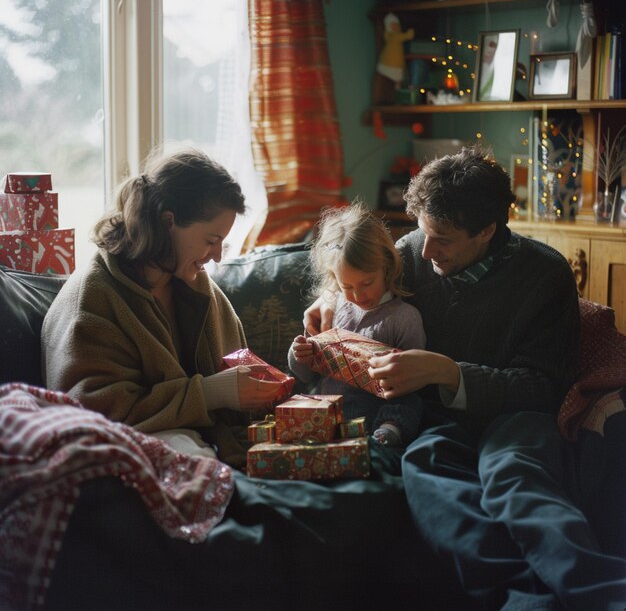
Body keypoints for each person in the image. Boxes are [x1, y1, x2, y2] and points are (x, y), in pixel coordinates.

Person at [304, 146, 626, 610]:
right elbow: (362, 287)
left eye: (444, 239)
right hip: (437, 421)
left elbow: (545, 387)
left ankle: (602, 596)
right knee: (430, 479)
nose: (425, 250)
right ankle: (524, 598)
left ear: (488, 231)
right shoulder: (414, 251)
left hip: (517, 418)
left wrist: (447, 371)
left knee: (515, 480)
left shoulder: (544, 274)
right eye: (421, 232)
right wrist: (329, 300)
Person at [41, 148, 282, 469]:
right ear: (168, 222)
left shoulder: (198, 288)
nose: (218, 256)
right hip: (131, 454)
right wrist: (210, 393)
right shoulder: (95, 297)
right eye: (211, 240)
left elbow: (236, 380)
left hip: (206, 448)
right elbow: (95, 412)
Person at [288, 202, 426, 447]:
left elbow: (412, 382)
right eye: (347, 287)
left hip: (374, 415)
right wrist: (301, 354)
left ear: (387, 266)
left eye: (367, 282)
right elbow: (306, 374)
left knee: (410, 402)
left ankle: (387, 435)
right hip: (326, 411)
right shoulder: (332, 309)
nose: (358, 295)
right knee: (307, 394)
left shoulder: (404, 317)